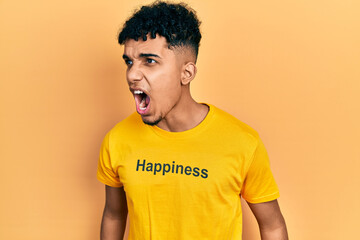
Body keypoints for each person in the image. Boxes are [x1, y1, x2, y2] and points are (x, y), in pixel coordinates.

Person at [96, 1, 288, 239]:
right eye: (129, 62)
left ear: (186, 73)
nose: (132, 74)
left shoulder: (242, 142)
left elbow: (272, 225)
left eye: (150, 61)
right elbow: (114, 215)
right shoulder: (117, 140)